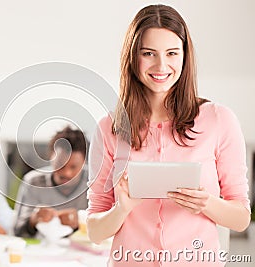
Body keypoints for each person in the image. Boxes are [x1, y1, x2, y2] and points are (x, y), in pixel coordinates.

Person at [86, 4, 251, 267]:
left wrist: (206, 203)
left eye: (172, 53)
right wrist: (123, 209)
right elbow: (95, 230)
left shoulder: (219, 120)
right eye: (148, 53)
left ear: (184, 56)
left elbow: (241, 218)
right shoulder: (109, 127)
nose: (161, 65)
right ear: (132, 57)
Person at [14, 126, 89, 238]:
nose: (67, 173)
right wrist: (34, 220)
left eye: (74, 167)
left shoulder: (95, 183)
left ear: (84, 162)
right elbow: (17, 231)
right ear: (50, 157)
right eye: (60, 164)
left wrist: (81, 222)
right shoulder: (33, 182)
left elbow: (108, 230)